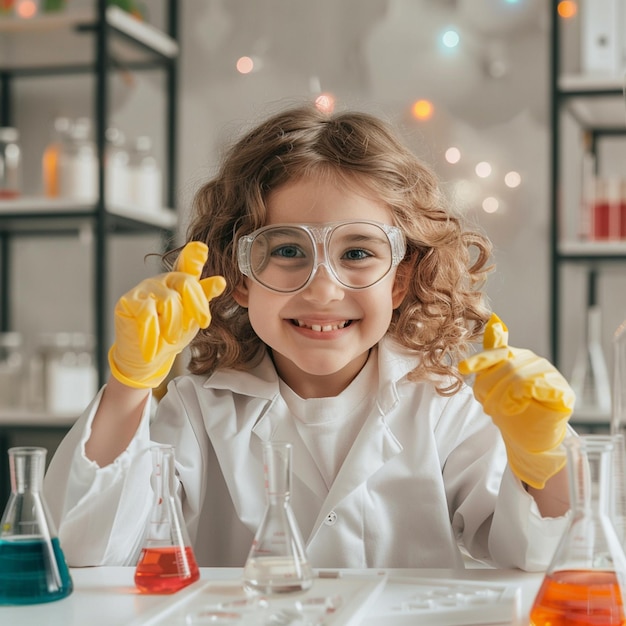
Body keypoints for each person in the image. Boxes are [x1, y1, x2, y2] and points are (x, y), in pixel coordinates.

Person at [44, 103, 574, 571]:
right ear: (240, 276)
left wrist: (541, 459)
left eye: (359, 253)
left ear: (402, 278)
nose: (323, 291)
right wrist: (128, 387)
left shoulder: (444, 406)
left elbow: (541, 557)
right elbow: (86, 550)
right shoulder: (198, 412)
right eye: (287, 251)